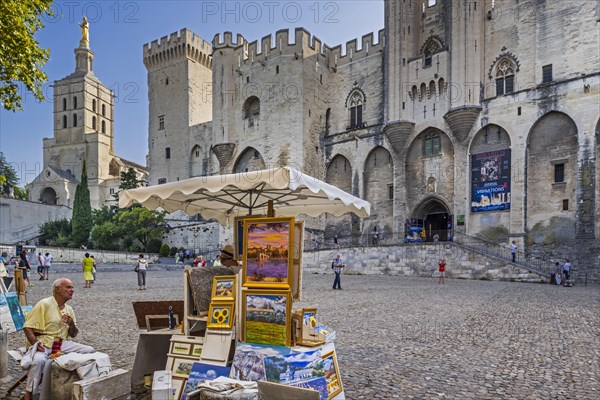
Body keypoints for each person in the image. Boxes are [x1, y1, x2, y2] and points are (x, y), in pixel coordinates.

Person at [22, 278, 95, 400]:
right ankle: (28, 393)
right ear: (57, 289)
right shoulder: (44, 304)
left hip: (59, 344)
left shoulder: (69, 309)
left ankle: (77, 385)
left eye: (72, 287)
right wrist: (35, 343)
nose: (72, 290)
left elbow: (73, 334)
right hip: (42, 342)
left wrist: (71, 324)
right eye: (68, 287)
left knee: (90, 350)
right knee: (39, 361)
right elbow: (27, 327)